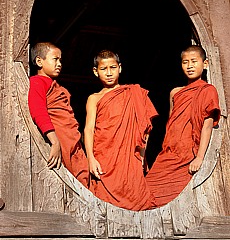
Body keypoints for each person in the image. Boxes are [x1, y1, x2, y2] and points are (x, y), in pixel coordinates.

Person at [145, 45, 221, 207]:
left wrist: (199, 157)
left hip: (188, 155)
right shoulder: (175, 92)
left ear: (205, 64)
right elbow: (171, 124)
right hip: (169, 153)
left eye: (194, 61)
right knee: (147, 192)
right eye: (185, 62)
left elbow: (207, 126)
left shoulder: (208, 90)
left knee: (175, 202)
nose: (190, 66)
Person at [84, 49, 159, 211]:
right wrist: (90, 158)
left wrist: (142, 157)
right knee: (103, 204)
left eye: (113, 67)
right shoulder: (94, 98)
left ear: (120, 68)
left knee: (137, 199)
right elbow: (88, 129)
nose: (109, 73)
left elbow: (145, 129)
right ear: (95, 72)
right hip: (104, 157)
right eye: (104, 69)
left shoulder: (134, 93)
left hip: (130, 157)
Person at [28, 42, 90, 188]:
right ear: (39, 61)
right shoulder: (37, 82)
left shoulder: (57, 86)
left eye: (60, 60)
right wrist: (55, 142)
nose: (59, 63)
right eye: (55, 59)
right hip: (59, 139)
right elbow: (38, 111)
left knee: (82, 177)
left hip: (72, 141)